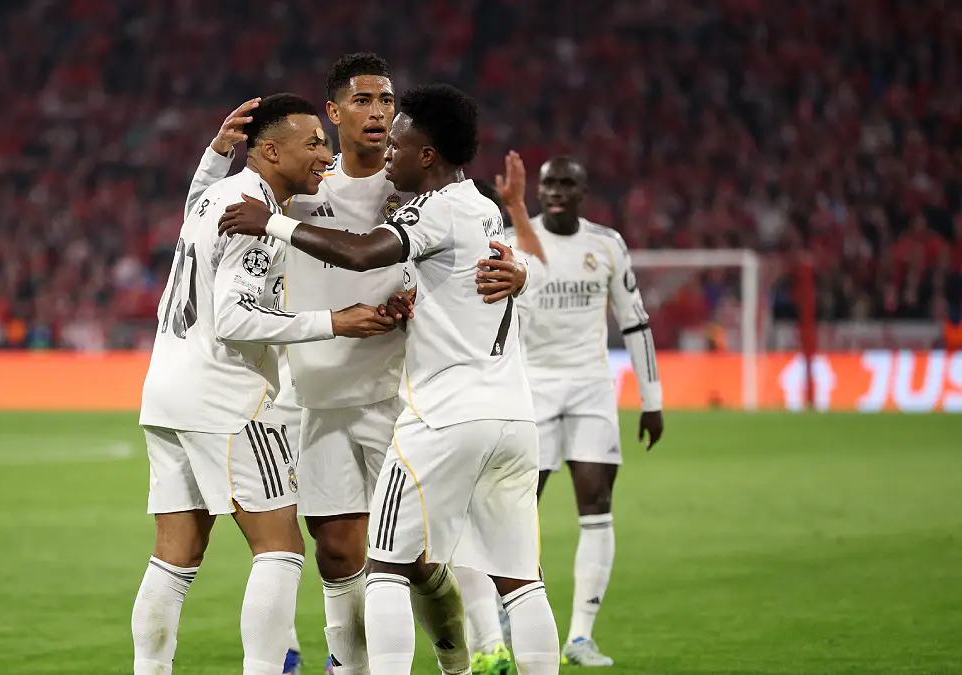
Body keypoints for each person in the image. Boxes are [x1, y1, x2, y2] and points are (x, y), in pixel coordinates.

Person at [184, 54, 526, 675]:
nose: (378, 113)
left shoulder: (416, 188)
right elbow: (208, 218)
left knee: (418, 558)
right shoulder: (304, 183)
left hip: (400, 393)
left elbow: (478, 237)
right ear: (334, 113)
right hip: (317, 395)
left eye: (387, 101)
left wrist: (519, 270)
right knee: (339, 554)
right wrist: (216, 158)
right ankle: (349, 666)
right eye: (363, 101)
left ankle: (463, 657)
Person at [132, 93, 397, 675]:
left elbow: (194, 206)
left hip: (167, 388)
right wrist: (335, 321)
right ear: (271, 152)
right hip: (228, 397)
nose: (325, 154)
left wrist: (214, 153)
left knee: (176, 555)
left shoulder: (218, 196)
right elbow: (234, 317)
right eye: (314, 144)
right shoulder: (254, 216)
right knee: (281, 548)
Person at [488, 152, 666, 666]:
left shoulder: (606, 244)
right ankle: (507, 610)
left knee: (597, 502)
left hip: (591, 387)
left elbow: (634, 320)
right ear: (539, 190)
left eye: (567, 184)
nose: (556, 192)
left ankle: (581, 636)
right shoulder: (512, 239)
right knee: (520, 507)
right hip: (531, 388)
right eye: (549, 184)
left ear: (583, 192)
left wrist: (651, 400)